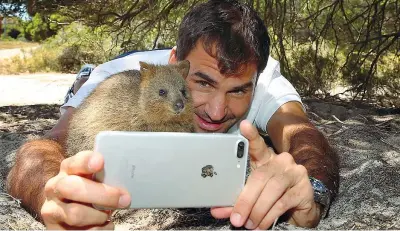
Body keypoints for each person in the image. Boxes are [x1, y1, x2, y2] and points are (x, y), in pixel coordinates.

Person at [6, 0, 339, 230]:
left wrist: (311, 192)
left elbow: (303, 136)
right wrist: (49, 190)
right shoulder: (123, 75)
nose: (216, 110)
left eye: (237, 91)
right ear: (176, 62)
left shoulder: (261, 79)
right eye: (202, 83)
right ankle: (81, 76)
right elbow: (44, 148)